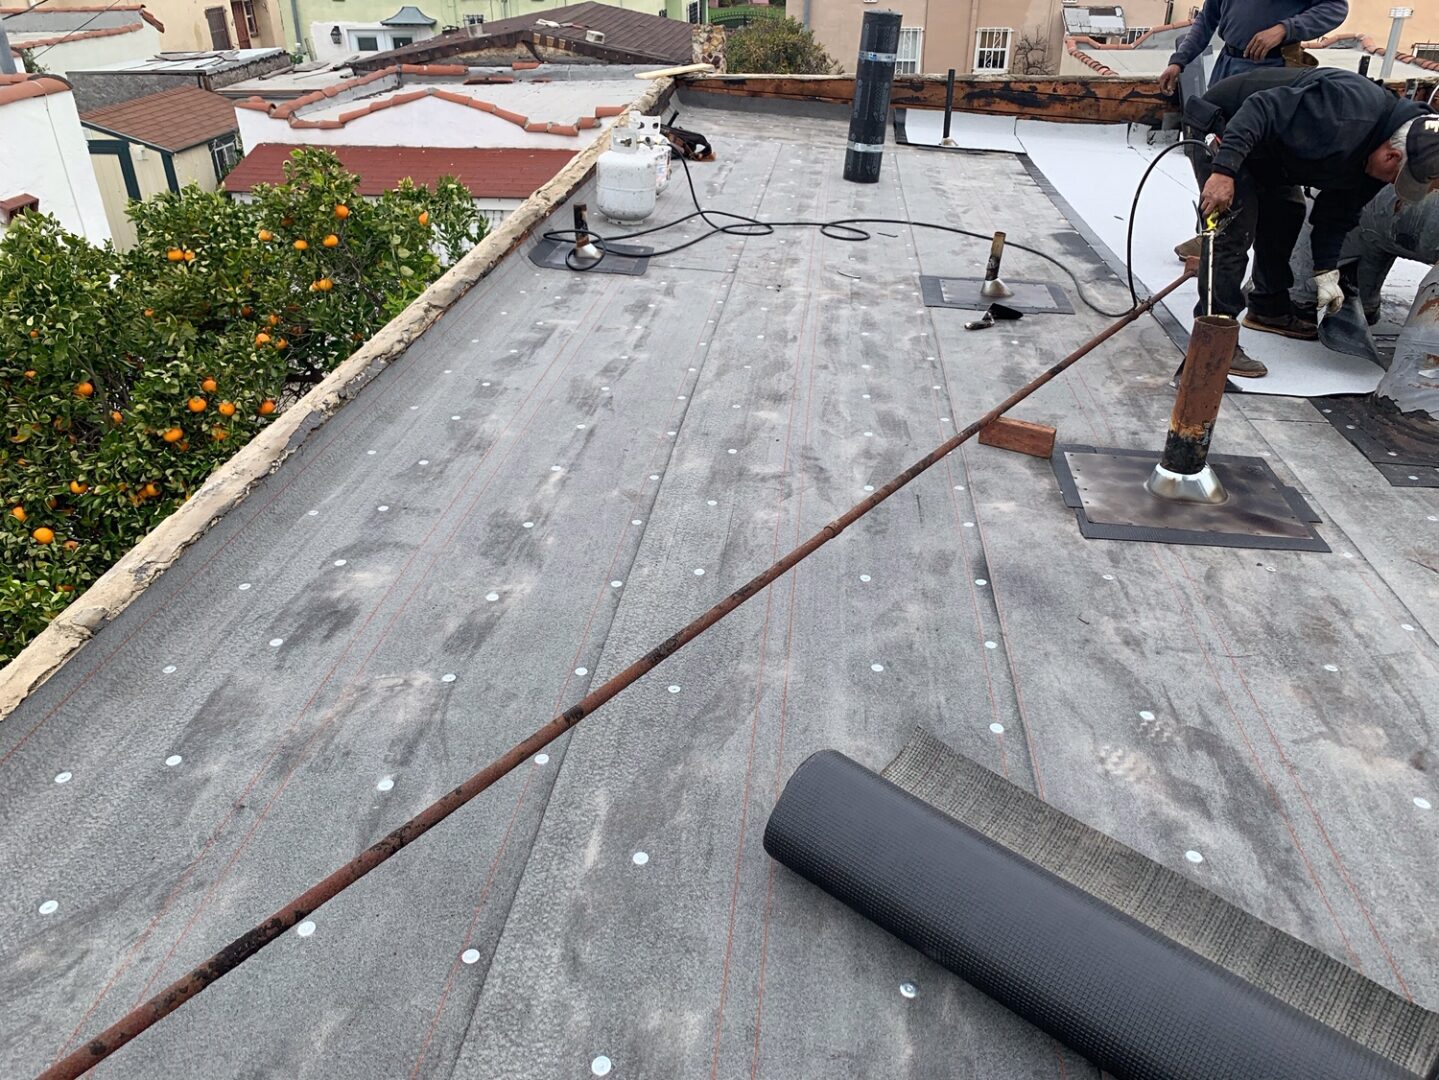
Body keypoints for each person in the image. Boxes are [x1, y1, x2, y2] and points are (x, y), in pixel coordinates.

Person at [1187, 68, 1437, 354]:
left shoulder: (1374, 165)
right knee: (1232, 226)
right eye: (1396, 176)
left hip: (1271, 151)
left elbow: (1335, 218)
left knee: (1288, 213)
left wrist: (1326, 273)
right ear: (1391, 155)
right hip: (1227, 124)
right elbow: (1259, 107)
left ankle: (1268, 308)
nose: (1392, 183)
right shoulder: (1345, 112)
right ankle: (1214, 343)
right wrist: (1224, 170)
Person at [1159, 0, 1348, 94]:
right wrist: (1179, 61)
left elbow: (1335, 8)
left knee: (1257, 147)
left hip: (1272, 69)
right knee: (1218, 137)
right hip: (1227, 67)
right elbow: (1206, 20)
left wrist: (1285, 29)